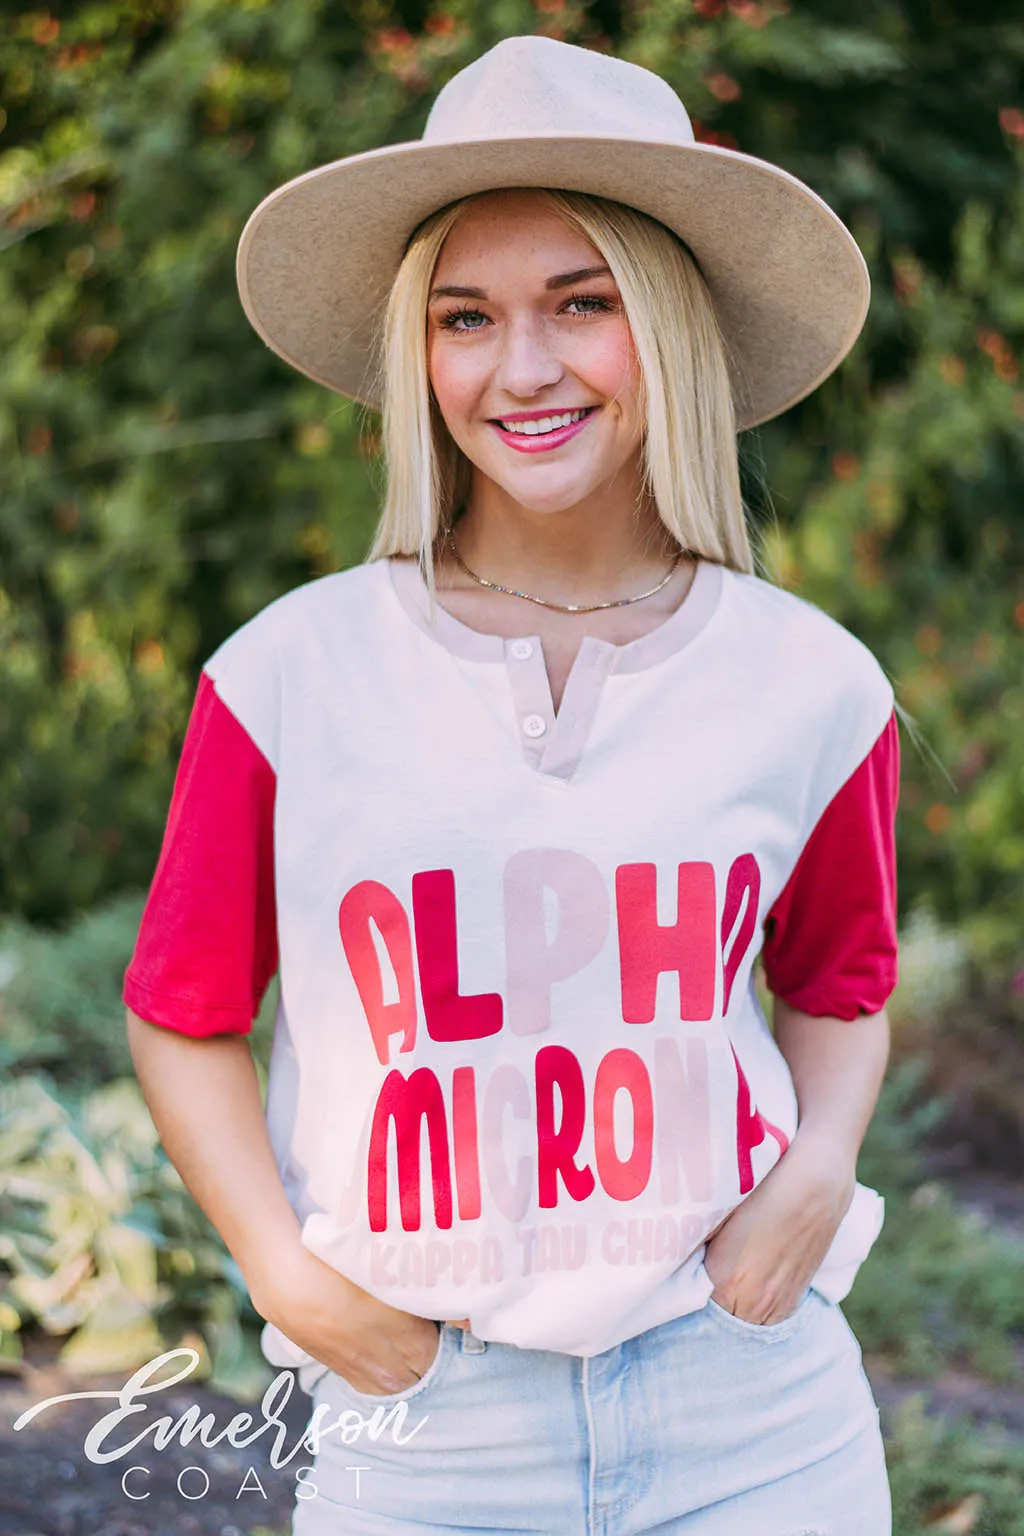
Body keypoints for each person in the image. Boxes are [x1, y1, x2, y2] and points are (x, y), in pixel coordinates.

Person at [123, 35, 900, 1536]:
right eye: (467, 317)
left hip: (754, 1411)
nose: (521, 370)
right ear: (421, 352)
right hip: (423, 1432)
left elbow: (842, 982)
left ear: (664, 327)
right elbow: (186, 1009)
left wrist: (813, 1173)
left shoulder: (810, 683)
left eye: (581, 305)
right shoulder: (288, 676)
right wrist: (286, 1277)